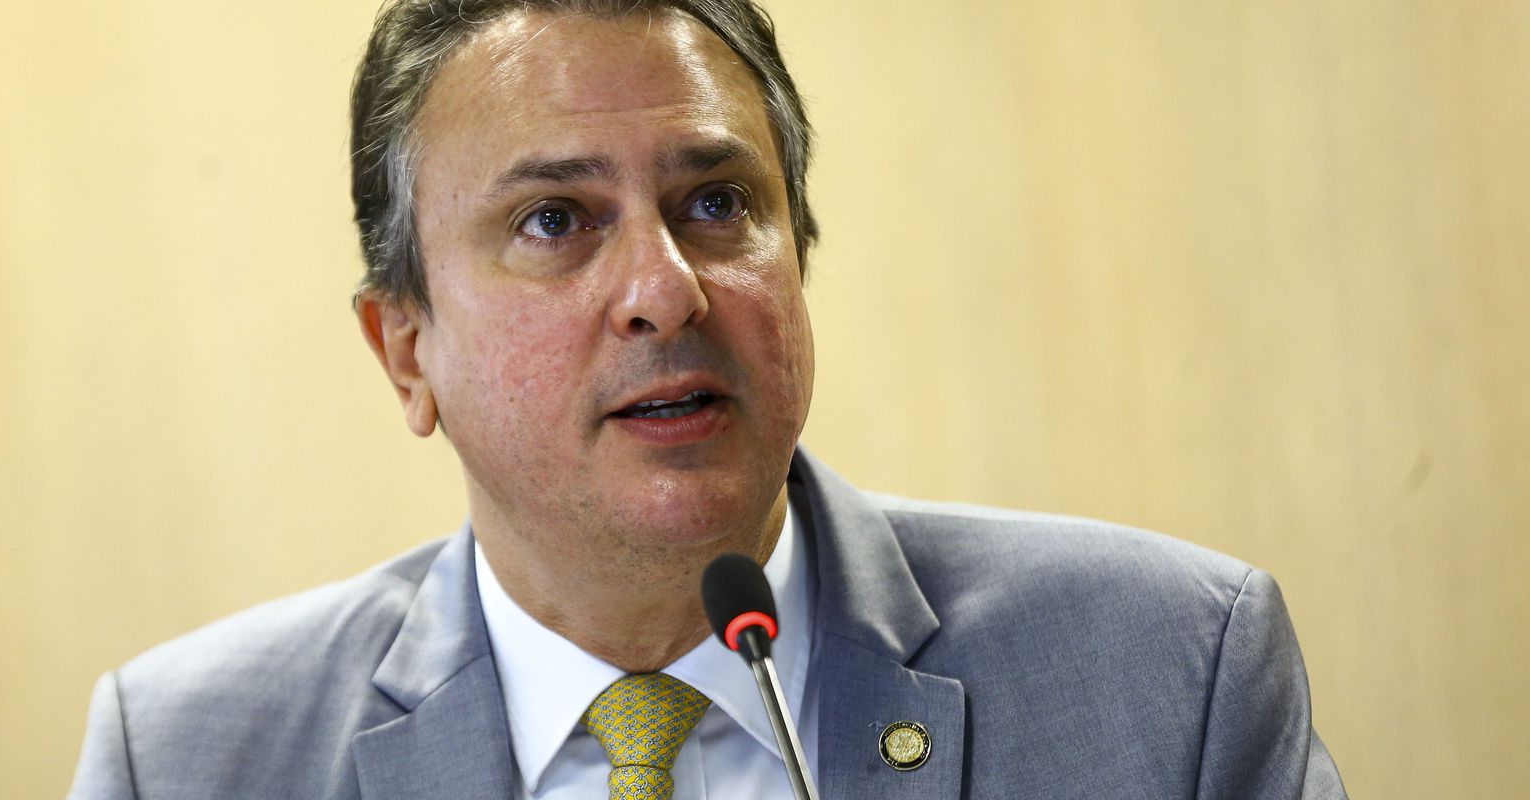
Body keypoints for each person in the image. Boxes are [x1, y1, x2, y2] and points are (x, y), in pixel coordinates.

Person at [69, 1, 1348, 798]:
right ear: (405, 349)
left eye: (717, 203)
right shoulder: (185, 757)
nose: (662, 289)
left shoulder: (1167, 675)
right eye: (554, 219)